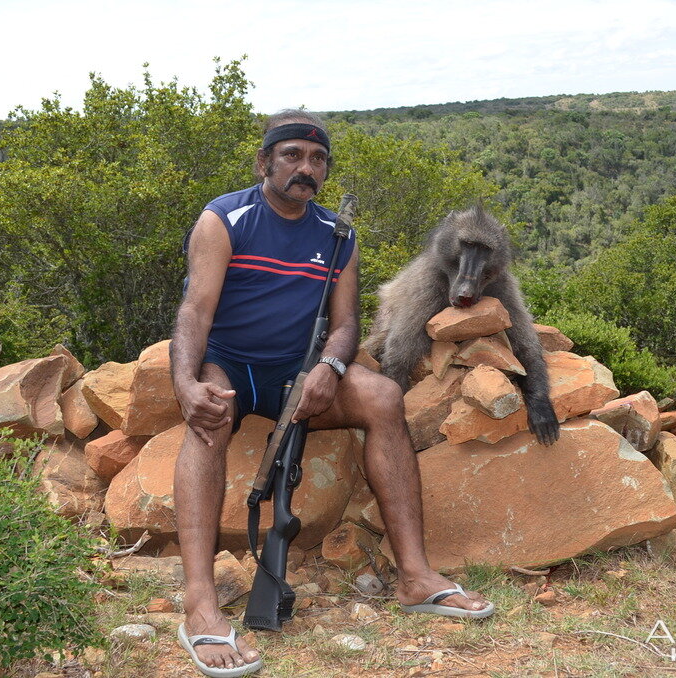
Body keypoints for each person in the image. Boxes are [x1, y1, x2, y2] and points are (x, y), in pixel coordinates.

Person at [171, 110, 493, 676]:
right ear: (264, 161)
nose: (306, 167)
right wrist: (184, 382)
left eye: (317, 159)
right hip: (233, 365)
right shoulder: (224, 219)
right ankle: (200, 602)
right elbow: (196, 309)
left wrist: (330, 365)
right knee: (209, 419)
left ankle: (416, 577)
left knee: (384, 399)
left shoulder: (336, 236)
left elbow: (345, 324)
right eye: (292, 154)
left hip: (302, 373)